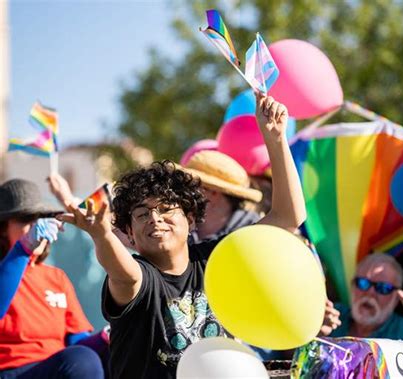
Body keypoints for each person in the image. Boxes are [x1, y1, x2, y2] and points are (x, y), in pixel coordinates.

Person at [58, 94, 306, 378]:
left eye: (166, 210)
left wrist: (276, 139)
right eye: (142, 214)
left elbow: (289, 218)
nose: (155, 219)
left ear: (190, 219)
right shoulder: (141, 278)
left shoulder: (217, 258)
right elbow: (124, 274)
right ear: (129, 233)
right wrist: (101, 234)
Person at [0, 179, 104, 379]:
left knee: (98, 357)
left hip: (55, 368)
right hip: (10, 371)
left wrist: (105, 338)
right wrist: (23, 248)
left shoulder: (56, 277)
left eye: (40, 218)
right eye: (25, 219)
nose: (34, 226)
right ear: (3, 229)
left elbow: (78, 343)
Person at [322, 254, 403, 342]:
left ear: (396, 299)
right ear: (352, 286)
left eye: (383, 288)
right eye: (363, 283)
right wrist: (315, 332)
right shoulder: (330, 315)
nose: (370, 293)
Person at [180, 150, 263, 243]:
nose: (183, 191)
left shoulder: (253, 231)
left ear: (214, 192)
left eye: (191, 186)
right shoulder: (180, 226)